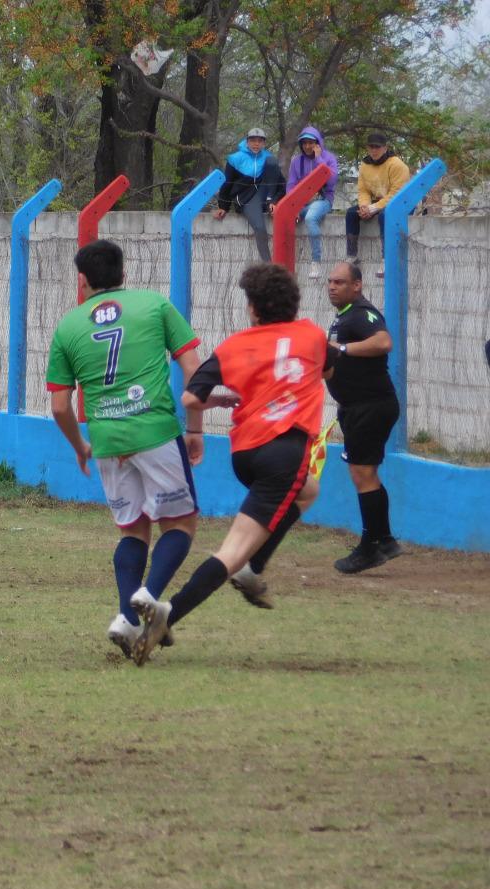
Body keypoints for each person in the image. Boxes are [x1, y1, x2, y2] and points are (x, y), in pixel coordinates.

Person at [129, 263, 330, 666]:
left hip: (246, 452)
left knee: (307, 490)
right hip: (284, 451)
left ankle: (254, 569)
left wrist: (205, 420)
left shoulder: (234, 346)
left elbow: (190, 398)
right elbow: (330, 367)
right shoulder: (313, 336)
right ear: (293, 304)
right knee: (233, 550)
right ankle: (170, 613)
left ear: (253, 309)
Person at [46, 240, 207, 659]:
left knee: (133, 530)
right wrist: (195, 428)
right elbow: (194, 367)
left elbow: (60, 405)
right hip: (155, 431)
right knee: (180, 524)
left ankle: (126, 618)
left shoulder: (67, 326)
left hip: (107, 441)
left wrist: (82, 446)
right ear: (123, 274)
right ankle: (149, 597)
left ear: (82, 281)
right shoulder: (155, 305)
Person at [324, 261, 402, 572]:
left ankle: (374, 545)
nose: (332, 286)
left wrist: (340, 349)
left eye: (340, 282)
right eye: (330, 281)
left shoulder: (363, 313)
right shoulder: (343, 317)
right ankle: (382, 540)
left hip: (370, 406)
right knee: (363, 474)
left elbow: (384, 342)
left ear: (357, 285)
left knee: (362, 474)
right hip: (357, 407)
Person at [214, 128, 286, 262]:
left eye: (260, 141)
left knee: (272, 162)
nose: (256, 144)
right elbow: (227, 184)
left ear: (264, 143)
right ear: (247, 142)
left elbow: (281, 184)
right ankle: (269, 266)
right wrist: (223, 206)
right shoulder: (235, 159)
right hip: (247, 198)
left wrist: (275, 201)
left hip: (265, 195)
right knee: (259, 227)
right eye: (253, 141)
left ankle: (270, 203)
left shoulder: (268, 157)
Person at [346, 132, 410, 276]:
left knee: (384, 216)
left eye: (377, 147)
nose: (374, 150)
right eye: (371, 147)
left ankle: (386, 259)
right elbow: (363, 190)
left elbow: (396, 194)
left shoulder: (397, 165)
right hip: (378, 201)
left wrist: (373, 208)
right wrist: (364, 206)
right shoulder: (365, 164)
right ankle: (352, 256)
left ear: (385, 148)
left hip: (401, 202)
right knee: (351, 213)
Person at [286, 127, 339, 278]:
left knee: (310, 218)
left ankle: (316, 261)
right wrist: (293, 206)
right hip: (302, 202)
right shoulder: (297, 161)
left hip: (322, 200)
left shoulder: (328, 158)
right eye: (304, 143)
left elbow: (331, 181)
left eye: (311, 143)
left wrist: (318, 159)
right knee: (285, 218)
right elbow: (291, 185)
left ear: (318, 143)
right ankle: (286, 264)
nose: (307, 146)